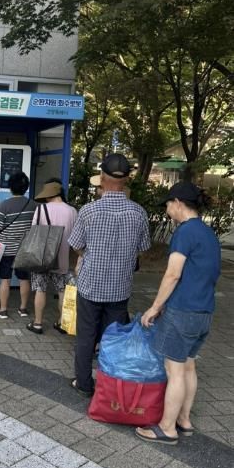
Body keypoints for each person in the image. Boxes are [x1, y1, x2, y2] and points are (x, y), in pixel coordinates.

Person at [136, 182, 221, 445]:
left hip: (183, 311)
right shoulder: (208, 233)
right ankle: (184, 420)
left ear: (178, 203)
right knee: (188, 365)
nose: (167, 209)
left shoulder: (185, 232)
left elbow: (173, 274)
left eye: (168, 204)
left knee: (174, 370)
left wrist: (155, 307)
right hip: (204, 311)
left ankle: (167, 428)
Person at [68, 153, 151, 397]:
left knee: (86, 336)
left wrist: (90, 254)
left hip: (90, 284)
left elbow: (76, 245)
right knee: (114, 338)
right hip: (120, 288)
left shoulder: (88, 211)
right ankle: (110, 386)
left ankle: (84, 383)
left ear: (102, 177)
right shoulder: (138, 212)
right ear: (126, 179)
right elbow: (143, 248)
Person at [26, 180, 78, 334]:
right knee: (62, 290)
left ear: (49, 195)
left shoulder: (41, 209)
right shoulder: (72, 211)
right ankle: (62, 323)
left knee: (40, 289)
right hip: (62, 258)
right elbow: (76, 237)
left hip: (42, 257)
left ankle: (38, 323)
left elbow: (34, 231)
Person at [0, 171, 36, 319]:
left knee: (5, 279)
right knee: (24, 279)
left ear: (10, 187)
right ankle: (23, 309)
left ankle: (3, 310)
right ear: (26, 187)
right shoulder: (33, 205)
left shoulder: (5, 205)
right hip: (25, 249)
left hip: (7, 249)